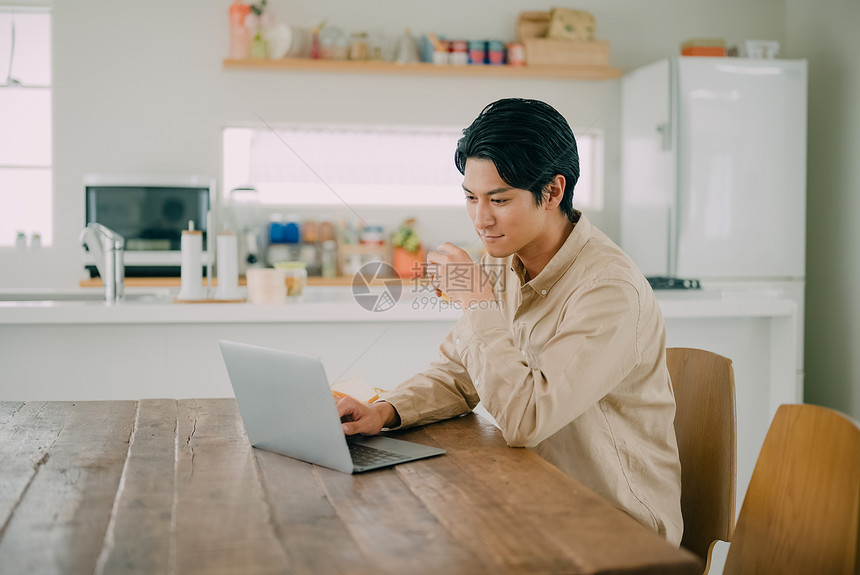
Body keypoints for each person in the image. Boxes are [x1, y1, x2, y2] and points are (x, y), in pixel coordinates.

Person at [336, 98, 683, 545]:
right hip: (535, 500)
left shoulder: (609, 290)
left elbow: (528, 419)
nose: (481, 218)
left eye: (499, 199)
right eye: (470, 197)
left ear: (553, 192)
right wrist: (383, 411)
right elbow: (459, 373)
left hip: (614, 529)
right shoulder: (503, 261)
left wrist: (477, 302)